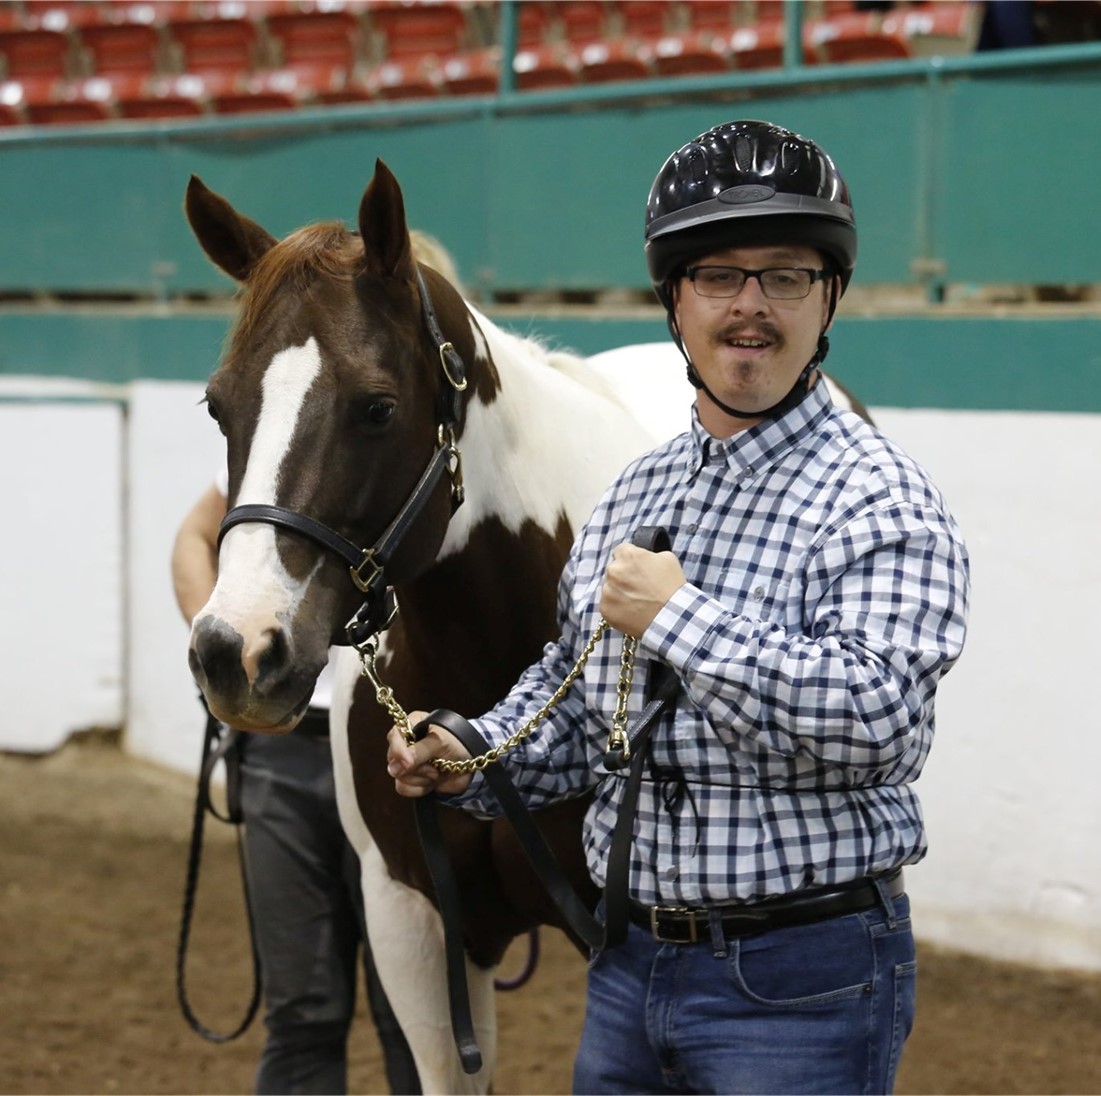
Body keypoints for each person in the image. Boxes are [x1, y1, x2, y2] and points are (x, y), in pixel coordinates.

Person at [386, 119, 970, 1095]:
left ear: (829, 297)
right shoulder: (636, 491)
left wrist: (677, 620)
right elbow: (581, 707)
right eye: (717, 276)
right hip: (628, 967)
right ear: (675, 300)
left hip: (801, 983)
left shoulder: (881, 498)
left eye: (785, 276)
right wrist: (473, 752)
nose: (750, 306)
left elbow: (877, 722)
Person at [172, 475, 421, 1096]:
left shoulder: (409, 444)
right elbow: (196, 534)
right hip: (282, 749)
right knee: (301, 1010)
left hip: (396, 750)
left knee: (415, 1014)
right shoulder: (275, 449)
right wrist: (218, 644)